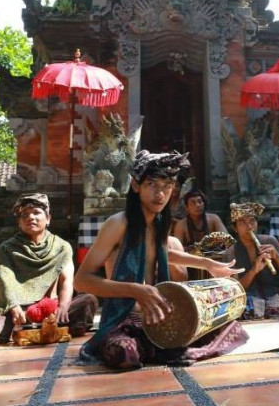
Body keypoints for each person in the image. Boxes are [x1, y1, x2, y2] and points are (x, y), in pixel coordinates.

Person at [74, 150, 246, 369]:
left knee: (227, 326)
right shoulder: (118, 223)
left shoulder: (159, 221)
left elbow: (163, 253)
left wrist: (208, 264)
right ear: (136, 186)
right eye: (152, 185)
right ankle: (152, 348)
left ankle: (157, 347)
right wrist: (136, 290)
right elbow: (81, 281)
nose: (160, 194)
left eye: (167, 187)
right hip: (125, 318)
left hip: (157, 315)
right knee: (124, 353)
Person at [0, 193, 98, 345]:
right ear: (19, 223)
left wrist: (63, 306)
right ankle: (50, 328)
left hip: (51, 310)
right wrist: (14, 307)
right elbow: (5, 280)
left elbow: (67, 280)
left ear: (48, 219)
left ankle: (41, 327)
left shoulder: (62, 247)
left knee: (88, 301)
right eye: (24, 215)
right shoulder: (6, 248)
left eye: (36, 212)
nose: (31, 217)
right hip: (16, 311)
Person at [224, 202, 279, 316]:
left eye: (252, 221)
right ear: (235, 228)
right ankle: (277, 309)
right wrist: (254, 270)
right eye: (243, 222)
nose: (249, 227)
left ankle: (274, 309)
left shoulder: (270, 241)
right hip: (250, 296)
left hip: (275, 292)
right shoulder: (231, 251)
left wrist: (276, 257)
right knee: (241, 305)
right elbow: (237, 287)